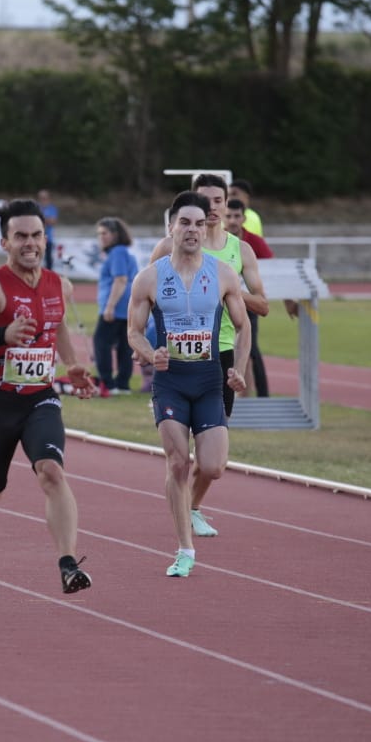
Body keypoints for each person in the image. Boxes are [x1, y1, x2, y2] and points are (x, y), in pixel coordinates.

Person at [0, 197, 95, 593]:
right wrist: (2, 335)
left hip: (39, 399)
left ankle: (68, 564)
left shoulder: (59, 285)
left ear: (45, 238)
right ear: (5, 242)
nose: (29, 243)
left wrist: (71, 364)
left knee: (51, 472)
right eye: (20, 236)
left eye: (36, 235)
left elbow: (59, 323)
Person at [128, 192, 250, 578]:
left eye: (200, 223)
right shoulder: (150, 277)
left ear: (207, 227)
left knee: (213, 466)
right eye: (185, 222)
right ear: (171, 227)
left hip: (210, 380)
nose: (193, 230)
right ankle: (185, 549)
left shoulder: (223, 274)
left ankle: (193, 510)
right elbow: (133, 332)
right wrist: (150, 355)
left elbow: (244, 326)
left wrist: (239, 369)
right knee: (178, 462)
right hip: (171, 384)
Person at [148, 173, 269, 537]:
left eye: (219, 200)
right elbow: (148, 296)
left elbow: (262, 306)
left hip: (223, 354)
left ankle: (193, 505)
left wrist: (223, 286)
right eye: (205, 200)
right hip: (179, 360)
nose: (213, 207)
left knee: (212, 458)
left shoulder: (239, 251)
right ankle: (185, 510)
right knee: (181, 456)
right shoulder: (168, 246)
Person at [225, 197, 273, 397]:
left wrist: (288, 300)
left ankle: (261, 395)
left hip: (246, 303)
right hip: (222, 307)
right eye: (229, 216)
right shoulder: (217, 242)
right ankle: (237, 395)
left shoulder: (252, 243)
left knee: (251, 350)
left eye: (237, 216)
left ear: (244, 218)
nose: (233, 220)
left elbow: (274, 267)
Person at [93, 216, 140, 395]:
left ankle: (108, 383)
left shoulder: (117, 253)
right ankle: (123, 385)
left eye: (104, 233)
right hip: (127, 306)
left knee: (101, 342)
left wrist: (110, 306)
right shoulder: (125, 252)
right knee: (124, 345)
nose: (101, 237)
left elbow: (120, 279)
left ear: (115, 234)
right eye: (99, 234)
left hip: (116, 306)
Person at [38, 189, 59, 270]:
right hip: (37, 238)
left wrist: (41, 219)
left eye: (44, 198)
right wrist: (46, 220)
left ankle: (49, 277)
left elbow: (53, 221)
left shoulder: (52, 208)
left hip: (48, 238)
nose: (43, 200)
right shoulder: (37, 207)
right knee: (35, 258)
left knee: (48, 259)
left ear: (48, 198)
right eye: (41, 198)